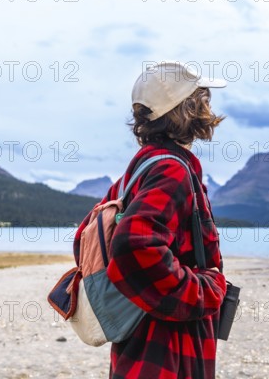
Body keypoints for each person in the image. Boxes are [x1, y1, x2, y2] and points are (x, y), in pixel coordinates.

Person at [72, 61, 229, 378]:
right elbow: (134, 246)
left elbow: (85, 239)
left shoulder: (138, 171)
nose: (209, 104)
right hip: (169, 340)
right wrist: (201, 292)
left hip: (142, 337)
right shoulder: (170, 169)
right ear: (187, 108)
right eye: (203, 97)